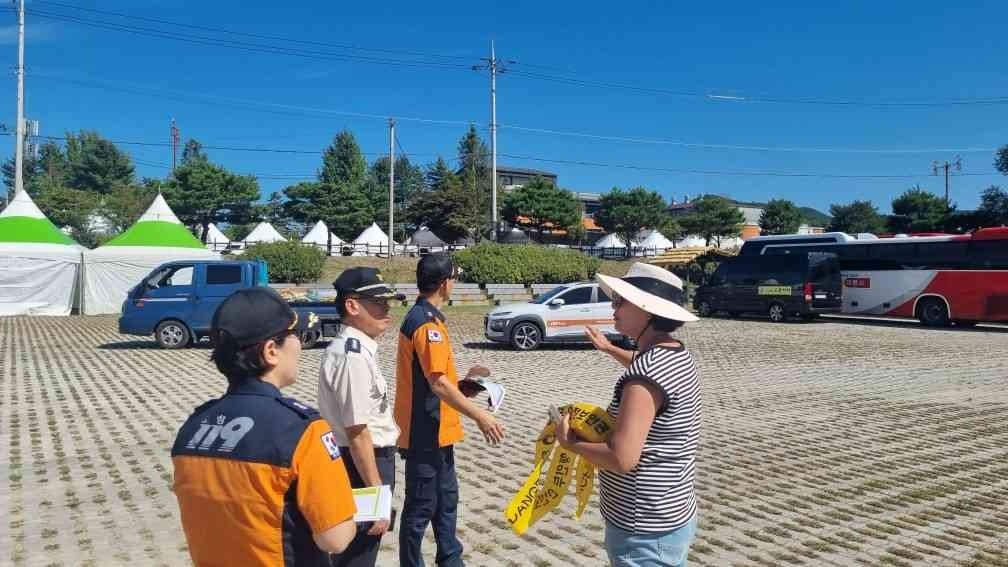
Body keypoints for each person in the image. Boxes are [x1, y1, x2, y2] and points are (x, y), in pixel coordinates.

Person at [171, 287, 357, 567]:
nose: (299, 343)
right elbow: (335, 539)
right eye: (294, 335)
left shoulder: (193, 427)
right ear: (271, 351)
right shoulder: (303, 430)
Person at [556, 262, 701, 567]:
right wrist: (609, 349)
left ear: (647, 311)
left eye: (621, 300)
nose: (614, 306)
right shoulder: (674, 353)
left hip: (643, 529)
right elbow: (644, 368)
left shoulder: (645, 375)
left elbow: (622, 458)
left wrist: (571, 443)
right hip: (672, 512)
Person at [395, 252, 505, 567]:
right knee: (419, 510)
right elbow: (438, 384)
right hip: (424, 432)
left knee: (446, 503)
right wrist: (481, 416)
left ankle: (451, 559)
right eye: (455, 278)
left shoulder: (430, 319)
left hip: (439, 431)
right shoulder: (424, 324)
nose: (455, 283)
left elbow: (439, 379)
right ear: (445, 283)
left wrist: (464, 386)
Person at [318, 268, 405, 567]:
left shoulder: (358, 349)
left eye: (387, 302)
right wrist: (376, 493)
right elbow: (357, 431)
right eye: (378, 302)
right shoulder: (351, 355)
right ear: (352, 306)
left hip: (365, 460)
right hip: (362, 464)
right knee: (357, 556)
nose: (386, 309)